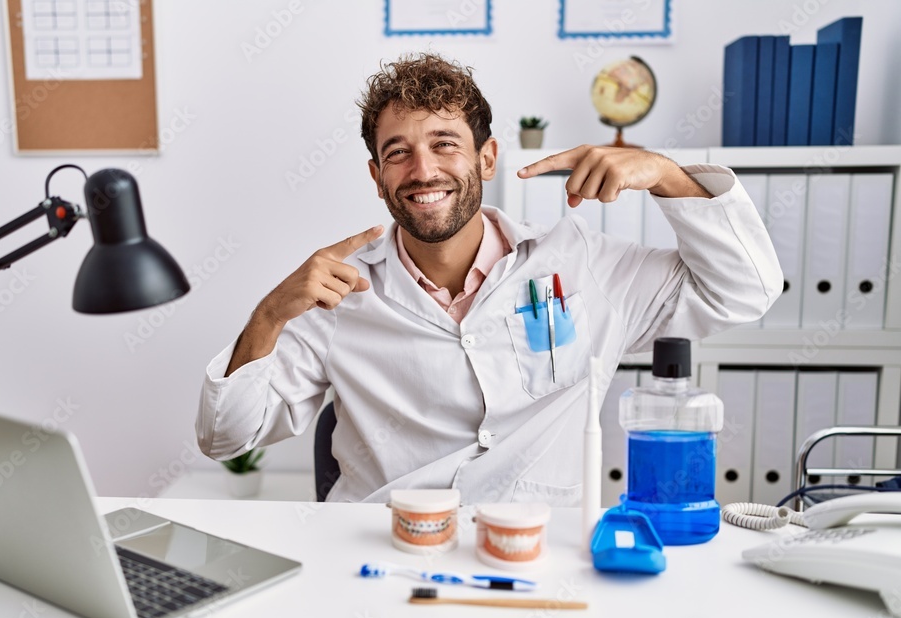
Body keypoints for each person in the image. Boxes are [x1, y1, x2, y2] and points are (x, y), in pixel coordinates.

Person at [196, 53, 782, 505]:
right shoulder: (338, 296)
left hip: (538, 561)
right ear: (377, 177)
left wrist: (667, 176)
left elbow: (744, 291)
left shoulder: (581, 263)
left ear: (487, 158)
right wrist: (269, 315)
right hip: (380, 561)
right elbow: (225, 438)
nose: (422, 170)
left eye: (444, 144)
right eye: (398, 153)